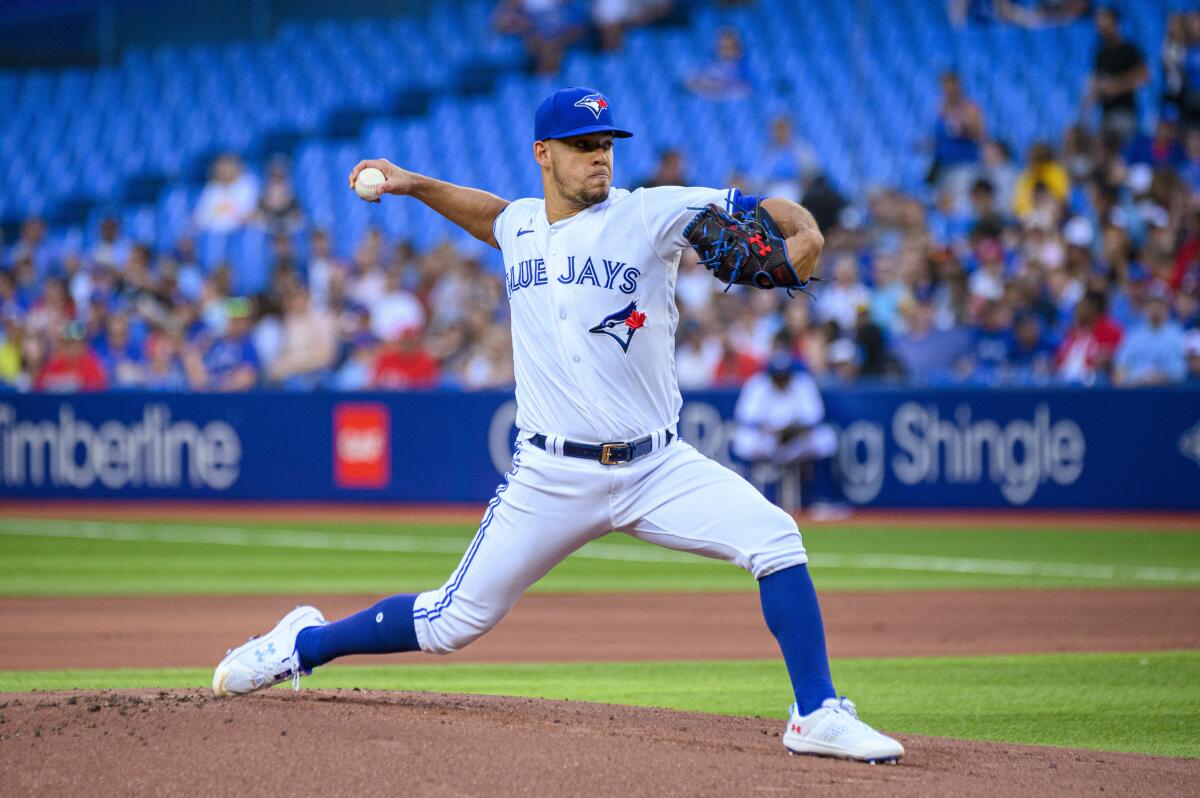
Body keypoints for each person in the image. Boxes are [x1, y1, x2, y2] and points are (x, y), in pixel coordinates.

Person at [213, 86, 902, 764]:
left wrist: (803, 229)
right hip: (552, 474)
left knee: (776, 537)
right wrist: (413, 183)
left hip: (658, 467)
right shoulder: (520, 226)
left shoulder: (649, 213)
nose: (599, 158)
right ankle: (300, 645)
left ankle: (815, 713)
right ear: (544, 153)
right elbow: (493, 217)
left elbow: (758, 209)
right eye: (582, 146)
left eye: (605, 145)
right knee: (451, 622)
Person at [731, 352, 842, 515]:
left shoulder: (803, 383)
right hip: (767, 441)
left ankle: (822, 500)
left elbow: (813, 418)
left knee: (826, 438)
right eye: (777, 376)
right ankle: (745, 500)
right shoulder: (757, 384)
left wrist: (791, 431)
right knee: (742, 441)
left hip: (795, 443)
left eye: (784, 375)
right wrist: (772, 431)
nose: (781, 379)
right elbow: (746, 418)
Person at [1086, 7, 1148, 145]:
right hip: (1106, 114)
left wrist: (1117, 86)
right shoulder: (1101, 54)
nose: (1102, 28)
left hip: (1125, 113)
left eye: (1105, 24)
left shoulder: (1129, 49)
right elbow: (1095, 80)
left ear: (1115, 24)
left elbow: (1144, 76)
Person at [1113, 286, 1187, 385]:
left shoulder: (1176, 333)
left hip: (1168, 390)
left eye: (1159, 304)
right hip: (1137, 390)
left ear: (1166, 307)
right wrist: (1136, 378)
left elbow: (1182, 369)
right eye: (1152, 304)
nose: (1155, 308)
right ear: (1145, 307)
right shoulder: (1134, 334)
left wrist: (1162, 377)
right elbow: (1120, 367)